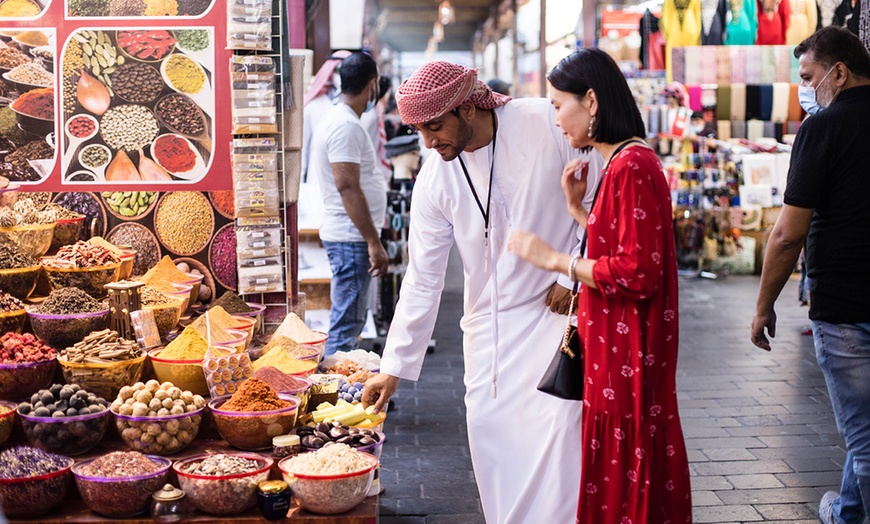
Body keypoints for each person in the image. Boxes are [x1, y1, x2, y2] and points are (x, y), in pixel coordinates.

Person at [362, 61, 603, 524]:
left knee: (558, 438)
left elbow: (597, 200)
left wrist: (571, 275)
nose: (429, 143)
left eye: (435, 127)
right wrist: (393, 367)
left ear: (469, 108)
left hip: (556, 318)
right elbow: (423, 276)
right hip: (487, 329)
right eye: (419, 131)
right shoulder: (435, 176)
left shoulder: (543, 121)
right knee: (490, 434)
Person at [506, 48, 692, 524]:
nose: (556, 119)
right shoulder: (625, 163)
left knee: (630, 474)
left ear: (590, 100)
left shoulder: (630, 165)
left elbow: (636, 272)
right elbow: (630, 248)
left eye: (558, 105)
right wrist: (578, 213)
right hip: (616, 354)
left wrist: (554, 259)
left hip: (628, 357)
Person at [750, 26, 870, 524]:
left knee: (864, 439)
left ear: (837, 72)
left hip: (845, 306)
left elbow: (786, 235)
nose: (806, 88)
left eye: (808, 76)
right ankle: (845, 512)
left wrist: (762, 306)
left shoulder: (822, 129)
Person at [309, 52, 389, 357]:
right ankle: (339, 399)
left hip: (348, 236)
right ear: (372, 85)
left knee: (349, 320)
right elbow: (347, 186)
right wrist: (373, 241)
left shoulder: (342, 120)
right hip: (350, 238)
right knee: (347, 325)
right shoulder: (345, 125)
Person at [302, 50, 351, 182]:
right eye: (338, 70)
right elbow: (302, 150)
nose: (341, 76)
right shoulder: (314, 107)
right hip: (318, 181)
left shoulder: (360, 107)